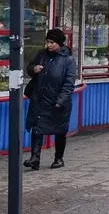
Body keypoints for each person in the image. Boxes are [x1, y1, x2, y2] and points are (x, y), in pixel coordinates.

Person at [23, 28, 76, 171]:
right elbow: (29, 67)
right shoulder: (42, 55)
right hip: (40, 98)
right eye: (47, 42)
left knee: (59, 130)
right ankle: (35, 158)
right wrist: (34, 69)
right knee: (37, 127)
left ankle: (58, 158)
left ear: (59, 43)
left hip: (57, 102)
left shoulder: (68, 60)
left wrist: (61, 100)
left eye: (52, 42)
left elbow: (69, 83)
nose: (49, 45)